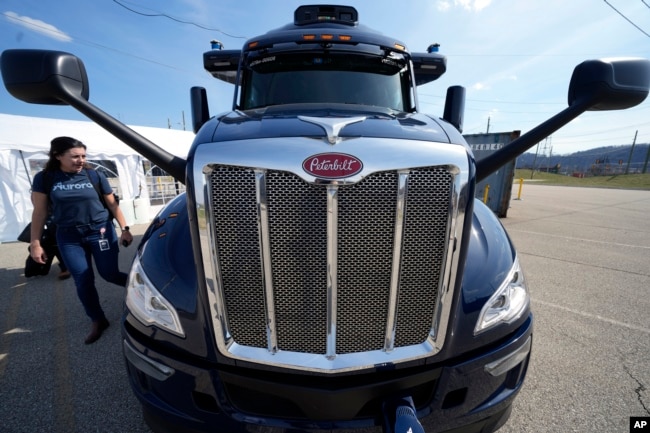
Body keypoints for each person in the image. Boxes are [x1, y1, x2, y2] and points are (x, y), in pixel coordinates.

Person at [29, 136, 133, 344]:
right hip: (69, 236)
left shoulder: (94, 175)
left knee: (110, 274)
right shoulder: (45, 178)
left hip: (100, 231)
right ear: (57, 156)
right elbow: (39, 212)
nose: (81, 160)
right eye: (75, 156)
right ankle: (98, 320)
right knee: (83, 280)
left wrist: (125, 229)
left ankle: (145, 293)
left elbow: (113, 205)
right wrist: (35, 243)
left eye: (83, 156)